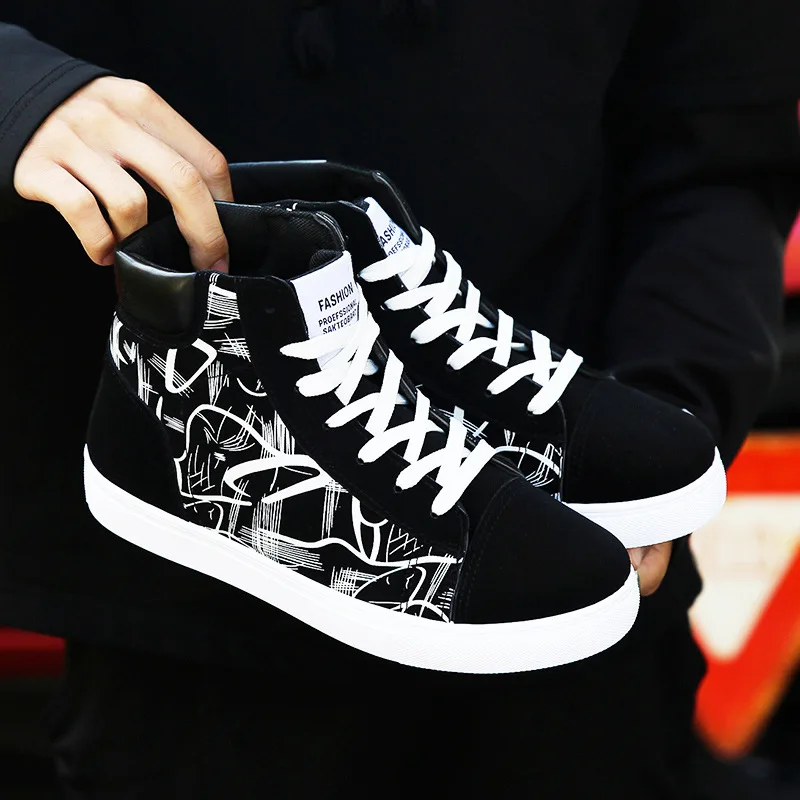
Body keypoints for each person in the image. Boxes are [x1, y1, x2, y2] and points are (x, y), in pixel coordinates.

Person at [1, 3, 798, 797]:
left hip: (570, 611)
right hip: (167, 622)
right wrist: (20, 91)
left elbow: (715, 141)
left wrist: (669, 397)